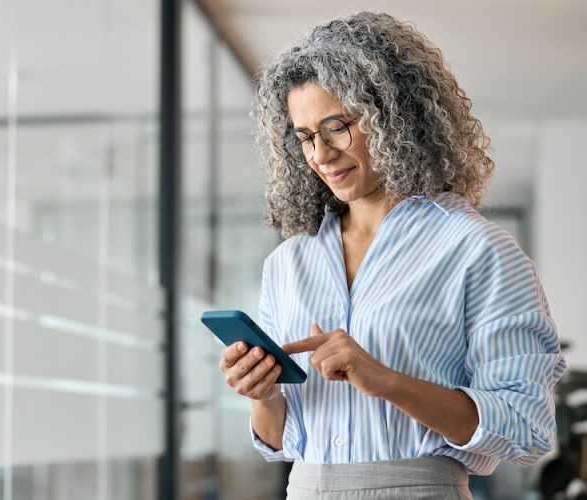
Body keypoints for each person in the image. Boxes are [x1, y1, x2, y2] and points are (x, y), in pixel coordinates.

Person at [218, 11, 567, 500]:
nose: (320, 154)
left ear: (394, 118)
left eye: (337, 126)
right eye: (305, 138)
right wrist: (265, 394)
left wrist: (385, 381)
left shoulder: (476, 250)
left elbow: (526, 430)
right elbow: (281, 442)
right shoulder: (287, 264)